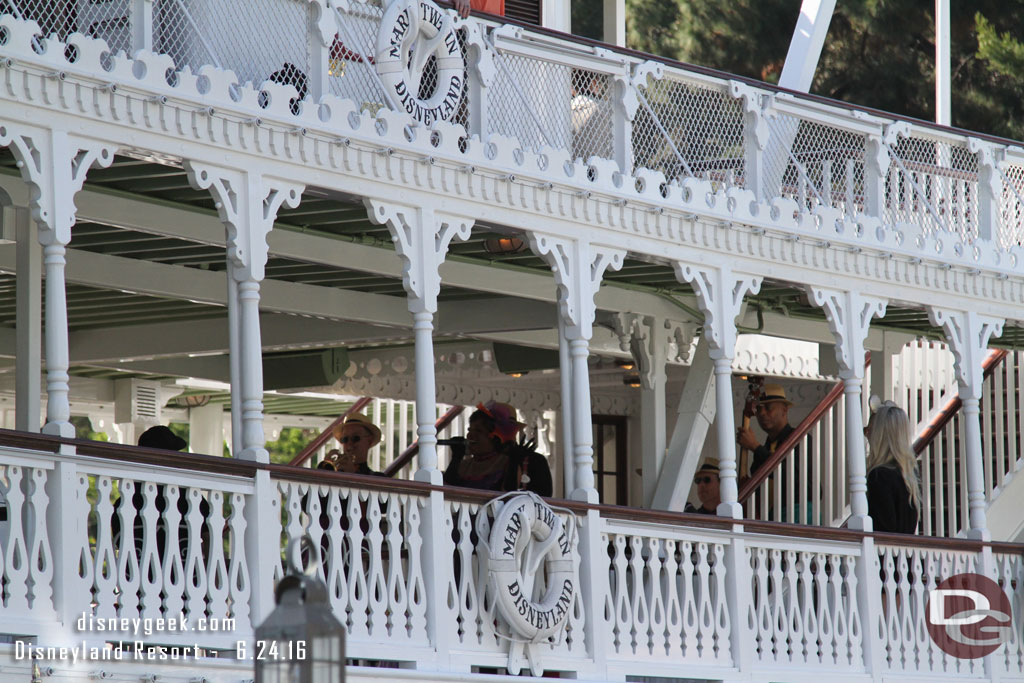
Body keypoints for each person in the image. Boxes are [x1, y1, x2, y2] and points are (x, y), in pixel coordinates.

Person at [444, 401, 552, 496]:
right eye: (469, 430)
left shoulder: (529, 462)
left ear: (497, 436)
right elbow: (447, 493)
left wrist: (514, 463)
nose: (469, 436)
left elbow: (510, 495)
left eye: (478, 431)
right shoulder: (464, 465)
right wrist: (456, 458)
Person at [865, 401, 920, 534]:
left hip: (886, 553)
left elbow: (883, 528)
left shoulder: (879, 476)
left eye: (871, 430)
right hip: (906, 552)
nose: (867, 435)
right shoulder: (908, 475)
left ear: (880, 434)